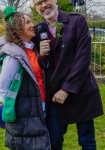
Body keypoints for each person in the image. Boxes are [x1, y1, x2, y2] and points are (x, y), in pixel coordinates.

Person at [32, 0, 104, 149]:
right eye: (38, 3)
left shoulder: (77, 21)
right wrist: (42, 56)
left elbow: (83, 59)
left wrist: (66, 89)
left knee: (87, 140)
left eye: (46, 0)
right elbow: (42, 65)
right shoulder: (39, 30)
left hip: (80, 89)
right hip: (55, 94)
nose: (43, 5)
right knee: (54, 141)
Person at [0, 6, 51, 150]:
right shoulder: (14, 55)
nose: (33, 25)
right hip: (25, 110)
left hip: (40, 105)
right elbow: (3, 85)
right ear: (18, 28)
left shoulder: (31, 48)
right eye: (27, 22)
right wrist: (9, 108)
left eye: (31, 21)